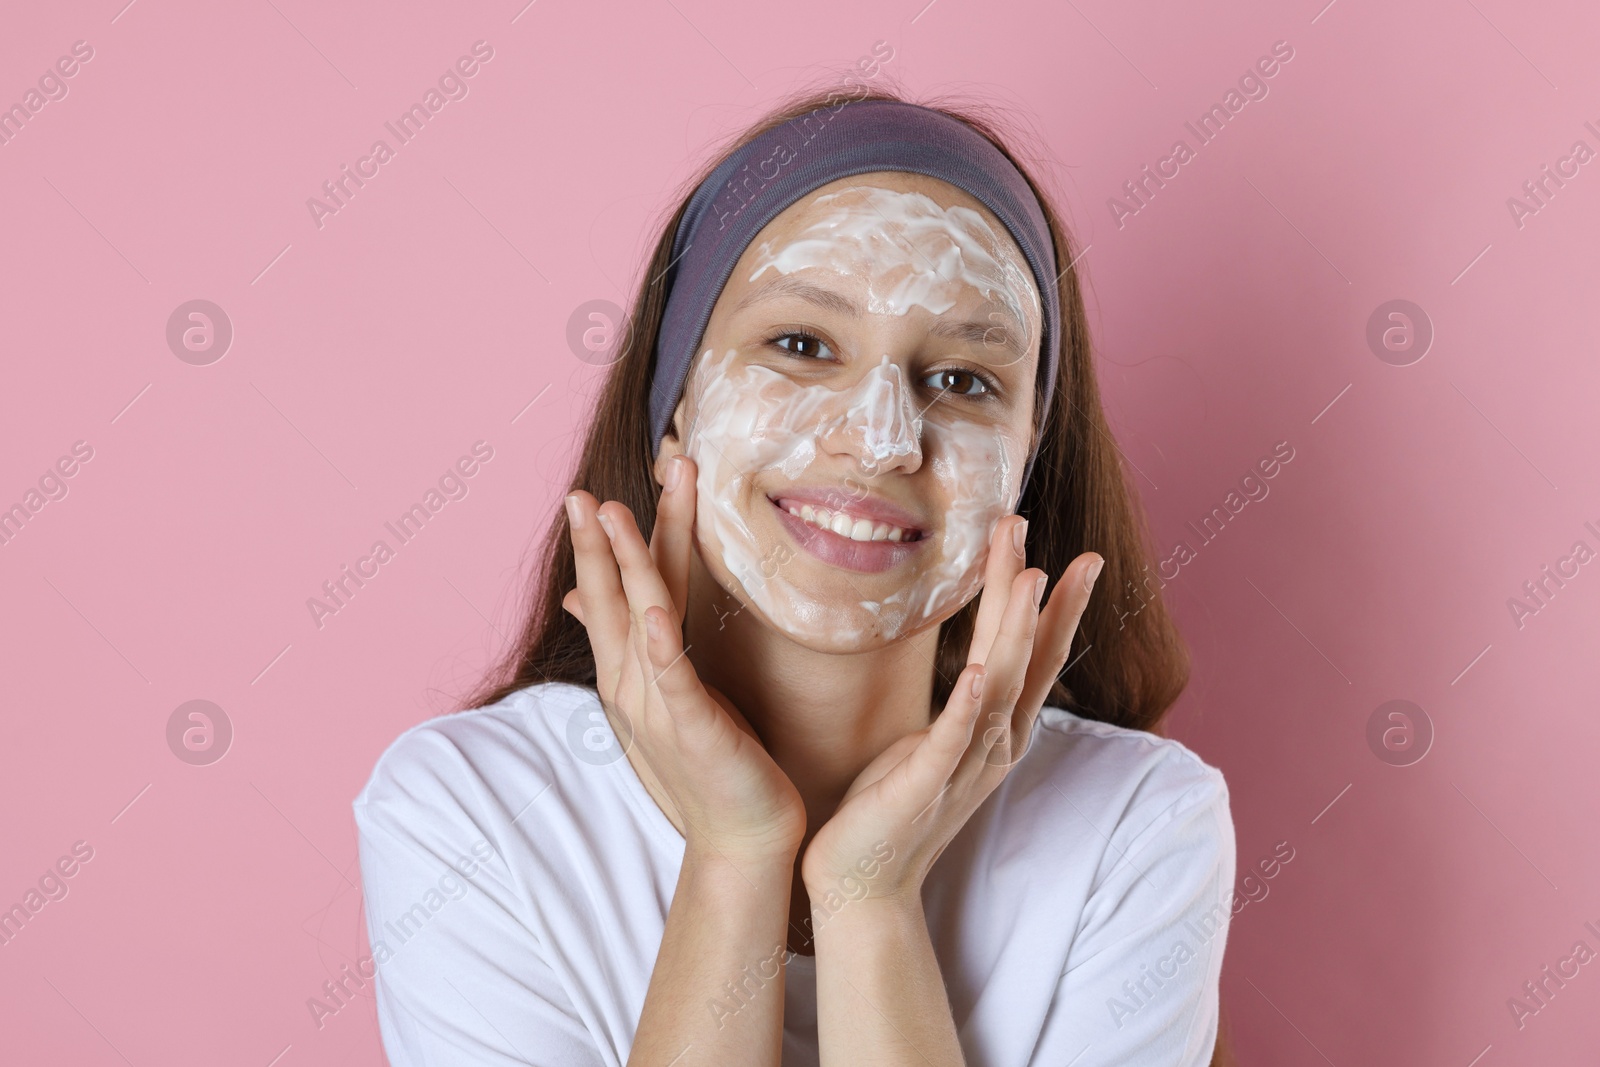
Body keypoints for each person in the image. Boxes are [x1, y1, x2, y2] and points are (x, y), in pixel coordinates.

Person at [353, 87, 1236, 1067]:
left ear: (1025, 458)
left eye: (962, 378)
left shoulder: (1134, 826)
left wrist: (870, 896)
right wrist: (735, 855)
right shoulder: (470, 809)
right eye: (803, 344)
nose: (881, 439)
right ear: (673, 405)